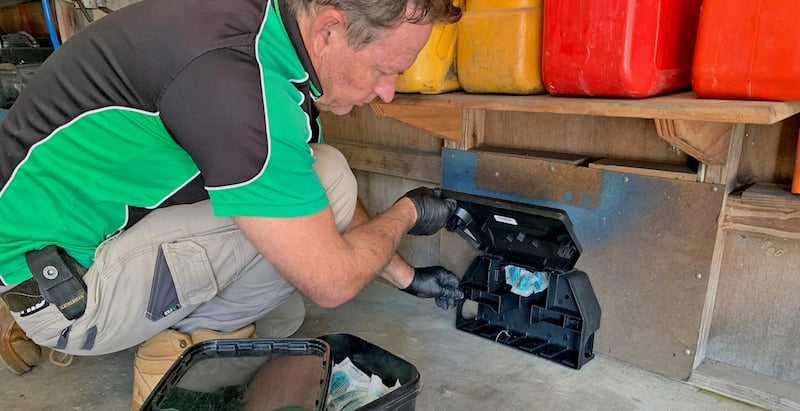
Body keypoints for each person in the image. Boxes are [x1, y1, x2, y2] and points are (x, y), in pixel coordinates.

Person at [0, 0, 463, 409]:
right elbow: (332, 282)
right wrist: (408, 213)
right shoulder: (236, 76)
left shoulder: (266, 34)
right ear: (329, 29)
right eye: (385, 70)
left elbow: (299, 187)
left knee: (285, 314)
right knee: (329, 191)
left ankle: (183, 331)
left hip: (58, 251)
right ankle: (173, 371)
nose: (388, 92)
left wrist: (406, 278)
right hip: (67, 295)